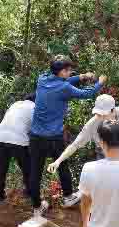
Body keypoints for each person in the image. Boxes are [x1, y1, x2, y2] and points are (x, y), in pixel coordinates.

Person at [30, 55, 106, 216]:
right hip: (53, 136)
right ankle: (68, 197)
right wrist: (99, 82)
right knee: (62, 163)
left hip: (36, 135)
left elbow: (63, 82)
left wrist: (81, 77)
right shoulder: (64, 88)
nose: (71, 72)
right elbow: (87, 93)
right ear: (62, 72)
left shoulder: (42, 79)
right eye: (69, 70)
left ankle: (37, 207)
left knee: (35, 171)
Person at [47, 94, 119, 174]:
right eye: (98, 114)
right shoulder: (92, 124)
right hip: (104, 158)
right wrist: (58, 161)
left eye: (103, 114)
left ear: (113, 110)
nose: (100, 117)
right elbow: (75, 145)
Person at [0, 93, 36, 203]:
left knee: (2, 167)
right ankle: (30, 192)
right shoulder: (34, 107)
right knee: (27, 167)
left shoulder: (16, 104)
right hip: (18, 139)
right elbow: (34, 129)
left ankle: (0, 194)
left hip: (1, 136)